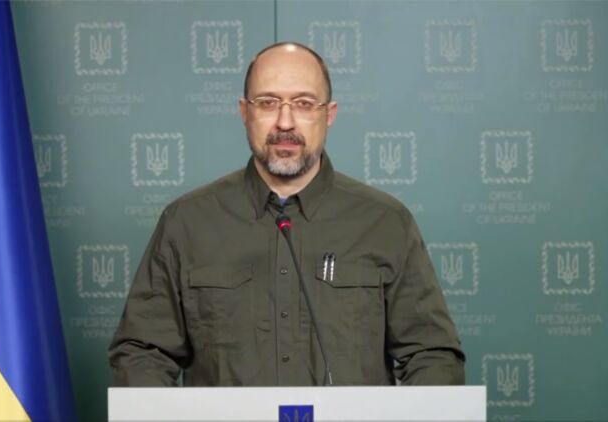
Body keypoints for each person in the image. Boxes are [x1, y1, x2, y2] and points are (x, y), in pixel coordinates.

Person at [108, 42, 465, 386]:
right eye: (267, 102)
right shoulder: (187, 222)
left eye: (304, 103)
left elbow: (432, 355)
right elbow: (142, 354)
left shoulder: (385, 222)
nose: (285, 122)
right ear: (244, 112)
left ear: (329, 114)